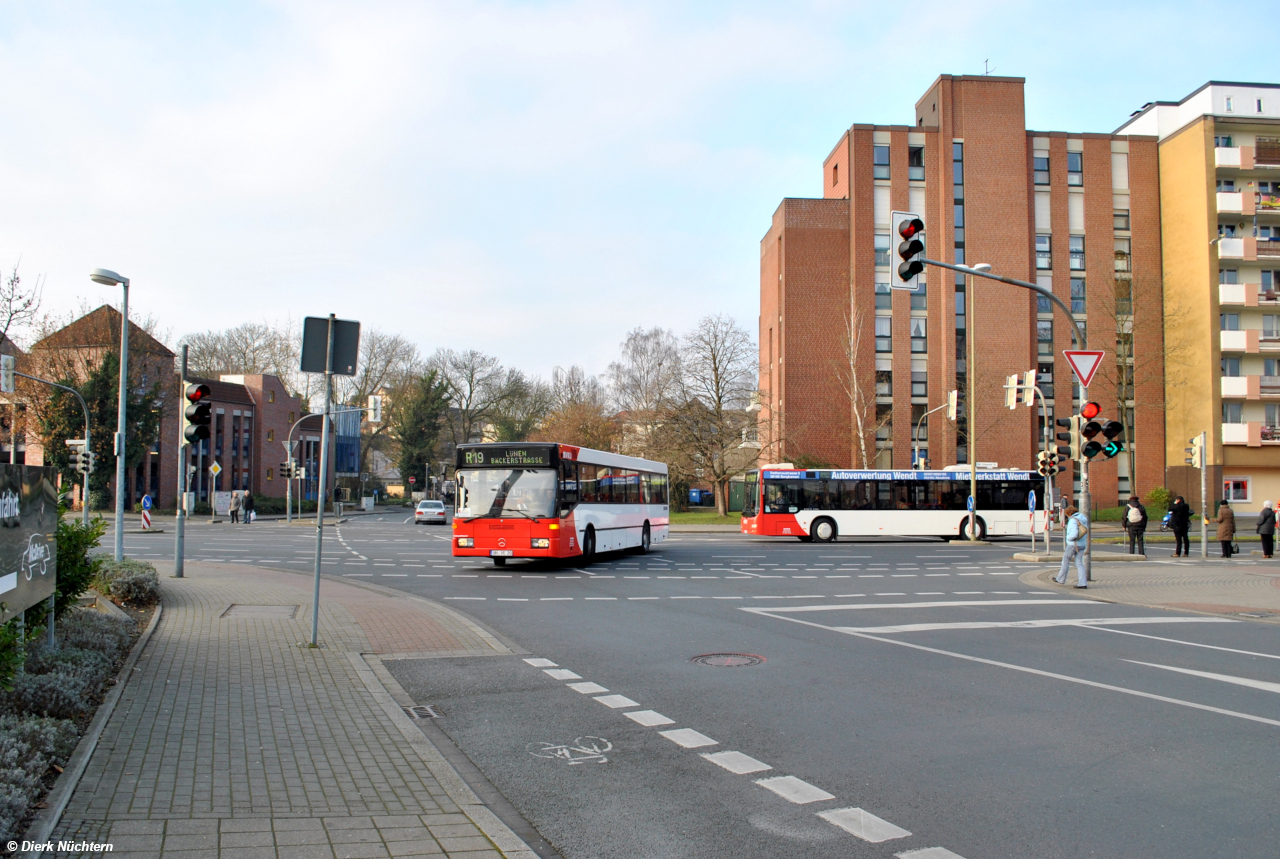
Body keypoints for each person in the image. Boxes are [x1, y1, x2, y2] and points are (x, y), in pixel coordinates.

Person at [1055, 504, 1090, 588]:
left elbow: (1074, 534)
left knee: (1065, 561)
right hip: (1082, 544)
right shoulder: (1083, 519)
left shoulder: (1073, 520)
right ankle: (1083, 583)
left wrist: (1068, 537)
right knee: (1079, 563)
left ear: (1069, 514)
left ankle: (1061, 579)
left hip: (1073, 545)